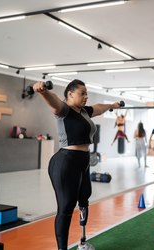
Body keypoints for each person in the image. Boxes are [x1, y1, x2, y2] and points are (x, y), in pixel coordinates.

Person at [33, 79, 122, 250]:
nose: (86, 97)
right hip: (65, 162)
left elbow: (98, 107)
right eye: (82, 93)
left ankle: (82, 242)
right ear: (70, 94)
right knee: (66, 208)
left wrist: (113, 105)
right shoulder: (64, 110)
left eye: (86, 93)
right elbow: (54, 103)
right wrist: (43, 91)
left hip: (83, 161)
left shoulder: (85, 111)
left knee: (84, 199)